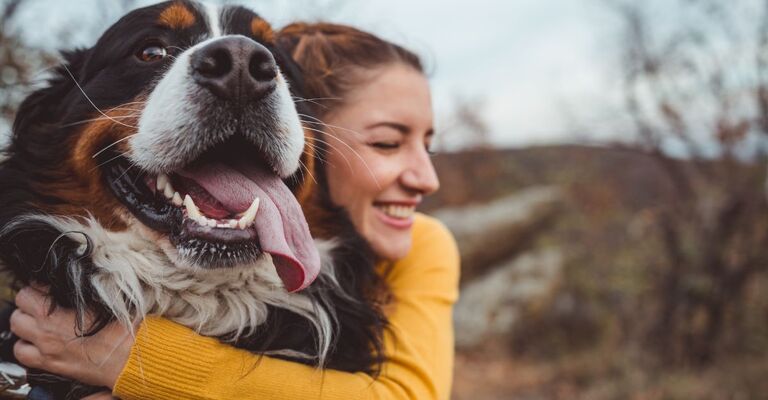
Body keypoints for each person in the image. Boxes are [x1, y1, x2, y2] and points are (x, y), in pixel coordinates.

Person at [10, 22, 460, 400]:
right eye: (386, 143)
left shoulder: (423, 242)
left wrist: (132, 359)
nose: (428, 179)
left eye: (429, 145)